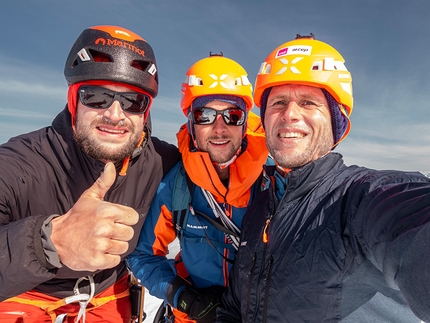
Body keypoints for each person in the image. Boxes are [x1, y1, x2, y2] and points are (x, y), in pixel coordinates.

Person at [216, 34, 430, 323]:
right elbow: (235, 304)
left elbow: (412, 225)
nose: (289, 114)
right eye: (278, 102)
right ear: (263, 120)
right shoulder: (259, 208)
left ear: (336, 120)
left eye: (308, 102)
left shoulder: (358, 198)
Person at [0, 25, 180, 323]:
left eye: (133, 101)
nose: (114, 114)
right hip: (25, 291)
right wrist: (48, 243)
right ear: (74, 101)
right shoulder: (20, 163)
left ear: (145, 112)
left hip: (109, 293)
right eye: (96, 96)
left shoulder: (163, 162)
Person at [127, 53, 268, 323]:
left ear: (245, 122)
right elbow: (142, 254)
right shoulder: (177, 185)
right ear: (191, 122)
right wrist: (184, 298)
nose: (219, 128)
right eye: (205, 115)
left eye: (232, 115)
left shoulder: (275, 182)